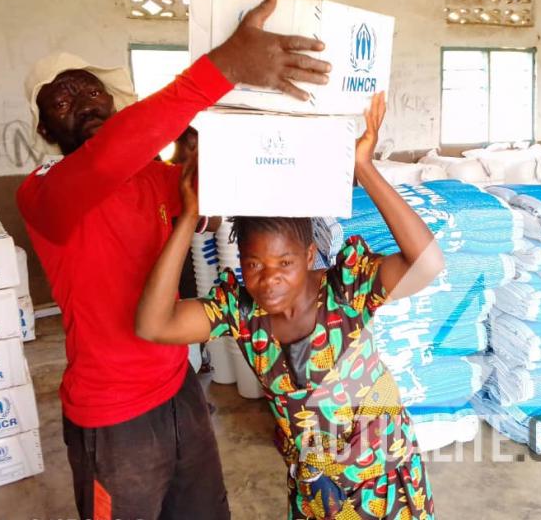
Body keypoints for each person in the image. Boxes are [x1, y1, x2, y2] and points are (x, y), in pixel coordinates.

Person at [17, 0, 331, 520]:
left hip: (178, 387)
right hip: (114, 415)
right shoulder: (44, 194)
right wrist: (223, 67)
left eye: (94, 91)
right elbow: (106, 160)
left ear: (114, 105)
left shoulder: (155, 180)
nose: (86, 102)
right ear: (47, 130)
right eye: (62, 101)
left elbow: (220, 192)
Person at [136, 92, 443, 520]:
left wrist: (363, 168)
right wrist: (189, 217)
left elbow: (427, 264)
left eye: (285, 262)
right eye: (254, 264)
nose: (269, 278)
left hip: (386, 482)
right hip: (318, 490)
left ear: (309, 253)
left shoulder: (346, 291)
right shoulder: (240, 313)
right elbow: (153, 325)